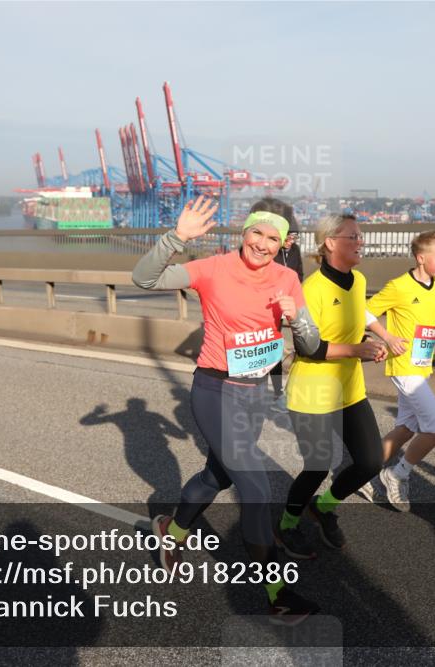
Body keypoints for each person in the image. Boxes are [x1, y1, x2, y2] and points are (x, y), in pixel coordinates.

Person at [131, 196, 323, 625]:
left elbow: (311, 346)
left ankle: (170, 531)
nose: (262, 244)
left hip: (256, 393)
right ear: (244, 231)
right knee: (255, 488)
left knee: (217, 476)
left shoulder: (288, 278)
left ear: (284, 243)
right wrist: (176, 237)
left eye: (272, 238)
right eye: (257, 233)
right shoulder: (214, 268)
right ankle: (277, 594)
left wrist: (297, 320)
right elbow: (143, 279)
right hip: (215, 389)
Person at [275, 213, 387, 560]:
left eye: (361, 236)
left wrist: (370, 344)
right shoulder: (311, 290)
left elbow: (350, 329)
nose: (361, 242)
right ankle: (287, 524)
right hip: (312, 392)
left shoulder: (359, 281)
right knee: (317, 466)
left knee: (370, 462)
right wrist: (357, 350)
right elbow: (308, 347)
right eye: (353, 237)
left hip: (349, 389)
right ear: (330, 243)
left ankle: (323, 507)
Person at [357, 231, 435, 510]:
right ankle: (397, 474)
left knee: (407, 428)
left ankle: (360, 475)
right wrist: (387, 337)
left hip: (422, 364)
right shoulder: (399, 286)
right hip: (404, 364)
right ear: (421, 258)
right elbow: (363, 311)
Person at [250, 197, 304, 414]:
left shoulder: (295, 251)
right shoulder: (266, 250)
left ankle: (281, 393)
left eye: (294, 237)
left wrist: (293, 298)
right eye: (288, 236)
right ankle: (268, 392)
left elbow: (299, 275)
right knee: (266, 351)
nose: (291, 240)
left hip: (286, 307)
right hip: (265, 308)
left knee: (282, 351)